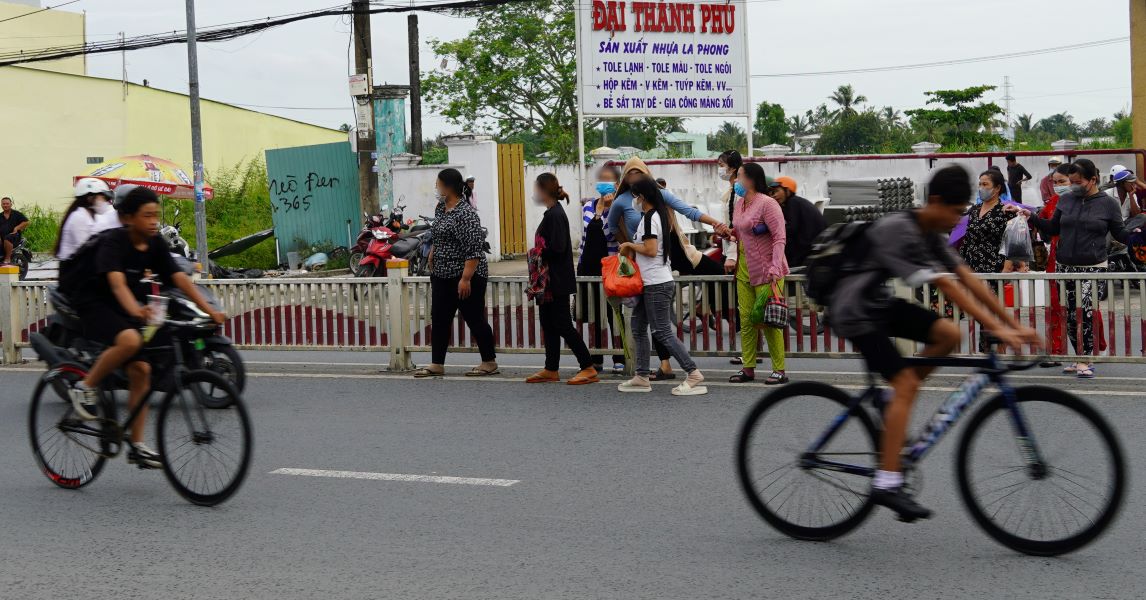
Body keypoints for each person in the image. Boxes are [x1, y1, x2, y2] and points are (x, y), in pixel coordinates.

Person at [831, 164, 1041, 520]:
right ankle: (886, 482)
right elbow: (949, 289)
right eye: (957, 212)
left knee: (950, 334)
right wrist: (1001, 330)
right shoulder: (901, 229)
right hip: (854, 311)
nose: (959, 219)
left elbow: (968, 280)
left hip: (877, 303)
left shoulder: (930, 232)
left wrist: (1012, 324)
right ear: (938, 202)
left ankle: (894, 399)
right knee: (907, 383)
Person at [67, 186, 225, 469]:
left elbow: (180, 279)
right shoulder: (113, 242)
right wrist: (136, 311)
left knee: (142, 370)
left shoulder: (154, 245)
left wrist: (209, 309)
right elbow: (115, 284)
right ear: (127, 218)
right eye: (147, 216)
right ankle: (84, 386)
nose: (154, 221)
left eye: (156, 216)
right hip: (92, 301)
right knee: (129, 341)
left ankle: (137, 445)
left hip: (125, 302)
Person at [607, 156, 732, 380]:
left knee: (661, 325)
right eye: (631, 175)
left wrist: (717, 224)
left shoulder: (656, 202)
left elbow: (688, 212)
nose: (635, 179)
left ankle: (691, 370)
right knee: (641, 326)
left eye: (639, 175)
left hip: (667, 257)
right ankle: (647, 373)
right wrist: (628, 245)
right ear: (625, 179)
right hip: (645, 266)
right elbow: (612, 227)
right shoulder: (622, 202)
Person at [1017, 158, 1140, 379]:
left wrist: (1136, 233)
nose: (1072, 186)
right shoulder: (1066, 201)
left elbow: (1120, 233)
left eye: (1077, 181)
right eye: (1071, 181)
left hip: (1093, 267)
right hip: (1065, 266)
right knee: (1070, 314)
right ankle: (1078, 357)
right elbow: (1053, 227)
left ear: (1093, 180)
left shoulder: (1107, 204)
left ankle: (1085, 359)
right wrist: (1032, 217)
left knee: (1084, 311)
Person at [616, 176, 708, 396]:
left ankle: (693, 373)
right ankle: (641, 375)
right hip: (649, 283)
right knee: (638, 327)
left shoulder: (651, 218)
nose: (633, 199)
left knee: (662, 331)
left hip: (657, 283)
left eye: (635, 195)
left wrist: (629, 244)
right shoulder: (653, 216)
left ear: (643, 196)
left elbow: (649, 249)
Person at [414, 168, 498, 378]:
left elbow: (474, 250)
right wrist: (433, 252)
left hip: (466, 275)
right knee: (440, 318)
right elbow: (439, 234)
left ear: (448, 187)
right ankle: (437, 363)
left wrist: (465, 278)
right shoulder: (441, 207)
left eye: (438, 184)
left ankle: (489, 361)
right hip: (442, 274)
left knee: (474, 317)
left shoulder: (466, 214)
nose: (436, 187)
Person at [526, 173, 598, 385]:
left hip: (556, 281)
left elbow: (558, 248)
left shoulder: (555, 215)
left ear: (543, 190)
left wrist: (538, 253)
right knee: (548, 324)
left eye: (535, 189)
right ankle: (551, 368)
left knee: (563, 325)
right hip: (549, 282)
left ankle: (588, 366)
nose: (533, 193)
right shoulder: (551, 213)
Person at [729, 163, 789, 385]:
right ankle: (748, 368)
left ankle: (779, 370)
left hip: (766, 270)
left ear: (751, 179)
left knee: (769, 320)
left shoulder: (768, 204)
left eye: (739, 176)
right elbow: (740, 231)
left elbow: (779, 237)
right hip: (744, 270)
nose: (736, 181)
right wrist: (729, 233)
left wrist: (775, 267)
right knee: (746, 320)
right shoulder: (739, 204)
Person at [578, 165, 624, 374]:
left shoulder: (620, 206)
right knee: (593, 313)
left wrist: (610, 207)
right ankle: (596, 356)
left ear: (616, 183)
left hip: (610, 265)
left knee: (614, 313)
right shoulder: (588, 206)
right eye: (601, 178)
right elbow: (584, 238)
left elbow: (613, 233)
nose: (603, 182)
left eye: (608, 179)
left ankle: (620, 355)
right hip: (588, 265)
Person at [1037, 164, 1074, 365]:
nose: (1058, 185)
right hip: (1055, 258)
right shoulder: (1053, 202)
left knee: (1082, 306)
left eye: (1062, 182)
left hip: (1079, 259)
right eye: (1055, 182)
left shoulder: (1081, 202)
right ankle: (1055, 350)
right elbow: (1044, 225)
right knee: (1054, 305)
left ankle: (1093, 347)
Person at [717, 150, 745, 365]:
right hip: (731, 249)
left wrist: (732, 256)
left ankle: (749, 350)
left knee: (742, 303)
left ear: (733, 168)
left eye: (722, 165)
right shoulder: (731, 190)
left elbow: (738, 227)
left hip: (737, 255)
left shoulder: (737, 192)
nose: (720, 169)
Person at [768, 176, 826, 269]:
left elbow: (791, 228)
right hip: (811, 245)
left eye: (777, 191)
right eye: (772, 193)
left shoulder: (793, 203)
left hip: (808, 247)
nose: (774, 195)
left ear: (788, 191)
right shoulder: (794, 203)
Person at [55, 178, 120, 260]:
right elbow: (87, 250)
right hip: (72, 269)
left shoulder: (92, 216)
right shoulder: (79, 217)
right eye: (104, 198)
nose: (106, 202)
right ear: (90, 198)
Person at [960, 170, 1010, 274]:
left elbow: (1011, 244)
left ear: (997, 188)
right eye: (980, 184)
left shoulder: (1005, 211)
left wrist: (1006, 269)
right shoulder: (974, 210)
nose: (981, 188)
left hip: (994, 269)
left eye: (985, 184)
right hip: (970, 268)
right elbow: (968, 239)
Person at [0, 196, 29, 265]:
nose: (5, 205)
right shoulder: (0, 215)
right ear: (1, 205)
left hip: (14, 236)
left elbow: (26, 222)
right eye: (3, 204)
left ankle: (7, 258)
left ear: (11, 204)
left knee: (7, 238)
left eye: (7, 204)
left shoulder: (17, 214)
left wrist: (17, 228)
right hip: (2, 237)